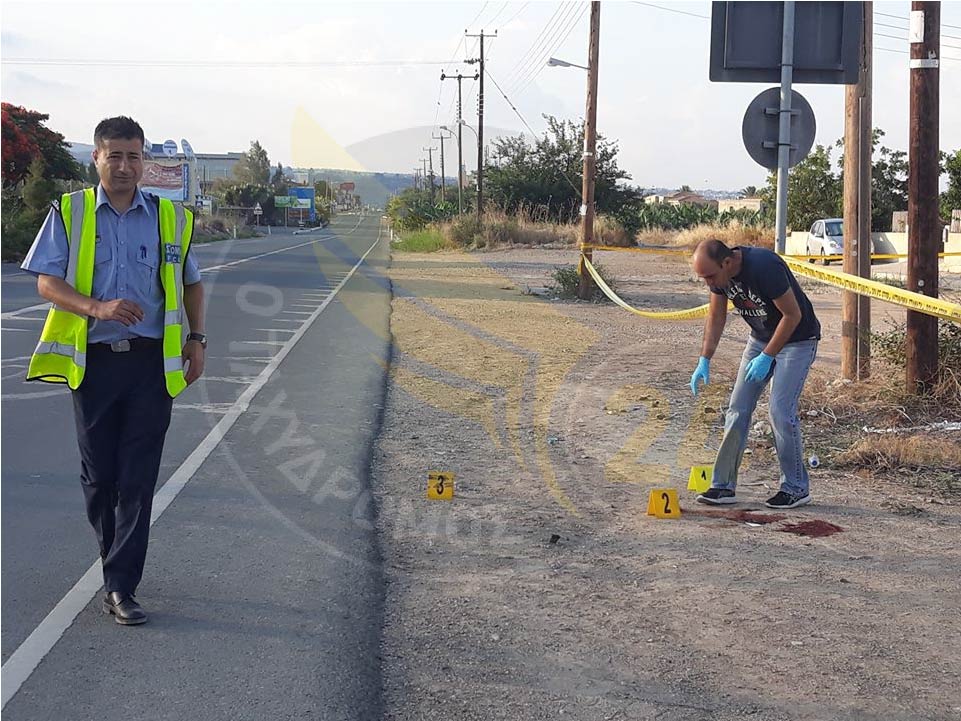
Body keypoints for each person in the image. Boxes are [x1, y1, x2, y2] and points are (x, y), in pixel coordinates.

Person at [21, 116, 206, 625]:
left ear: (144, 161)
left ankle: (121, 586)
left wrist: (197, 338)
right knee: (100, 478)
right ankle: (114, 568)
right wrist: (96, 308)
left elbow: (191, 283)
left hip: (151, 366)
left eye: (133, 156)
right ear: (96, 159)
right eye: (114, 155)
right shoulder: (71, 212)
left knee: (138, 478)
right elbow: (45, 282)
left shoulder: (171, 218)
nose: (124, 166)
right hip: (95, 364)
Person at [689, 239, 819, 510]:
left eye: (710, 276)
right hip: (760, 339)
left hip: (797, 340)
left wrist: (768, 356)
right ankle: (723, 486)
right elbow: (716, 316)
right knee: (738, 408)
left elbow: (792, 316)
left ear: (727, 262)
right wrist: (705, 359)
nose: (708, 283)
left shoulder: (764, 266)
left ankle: (795, 487)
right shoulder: (718, 278)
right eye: (703, 278)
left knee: (780, 411)